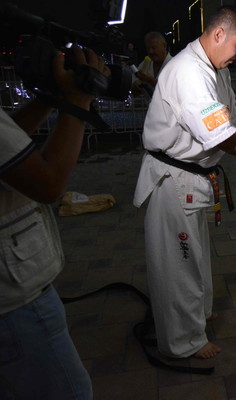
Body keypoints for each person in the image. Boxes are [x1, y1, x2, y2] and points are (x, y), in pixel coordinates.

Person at [133, 6, 236, 361]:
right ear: (219, 34)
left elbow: (234, 124)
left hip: (190, 179)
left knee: (195, 256)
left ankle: (198, 315)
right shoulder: (189, 72)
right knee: (180, 264)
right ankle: (183, 341)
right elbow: (225, 140)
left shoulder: (216, 68)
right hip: (172, 180)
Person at [0, 46, 109, 400]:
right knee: (68, 391)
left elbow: (9, 138)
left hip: (13, 289)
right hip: (13, 299)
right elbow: (48, 184)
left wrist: (51, 98)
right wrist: (78, 102)